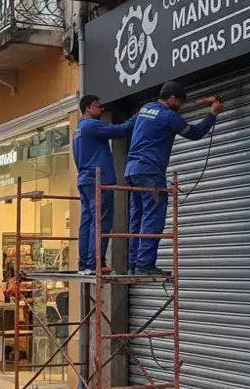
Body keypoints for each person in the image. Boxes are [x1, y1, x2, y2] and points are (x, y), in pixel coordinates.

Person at [125, 81, 224, 275]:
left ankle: (133, 265)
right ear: (171, 99)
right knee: (153, 216)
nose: (181, 106)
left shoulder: (146, 109)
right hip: (150, 171)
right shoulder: (169, 116)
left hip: (132, 170)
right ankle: (145, 265)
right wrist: (213, 113)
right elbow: (195, 133)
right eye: (180, 102)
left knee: (136, 218)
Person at [73, 94, 136, 275]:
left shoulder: (78, 131)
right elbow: (120, 130)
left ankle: (84, 264)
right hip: (98, 180)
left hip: (85, 180)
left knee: (87, 221)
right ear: (87, 108)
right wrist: (138, 116)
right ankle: (96, 263)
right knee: (101, 221)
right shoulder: (92, 125)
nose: (101, 109)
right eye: (97, 106)